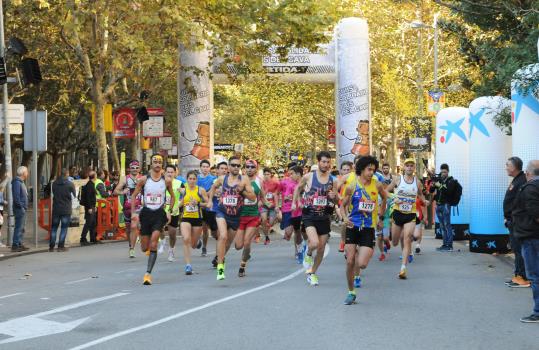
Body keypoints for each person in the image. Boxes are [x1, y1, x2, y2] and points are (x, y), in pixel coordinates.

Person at [340, 156, 387, 304]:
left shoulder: (377, 185)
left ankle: (360, 253)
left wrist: (381, 217)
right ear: (361, 169)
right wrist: (345, 217)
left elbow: (385, 199)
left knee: (361, 264)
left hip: (368, 227)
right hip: (352, 226)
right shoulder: (352, 186)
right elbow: (342, 205)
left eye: (373, 169)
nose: (371, 172)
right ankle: (351, 292)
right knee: (350, 261)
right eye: (369, 169)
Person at [207, 156, 256, 281]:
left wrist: (242, 192)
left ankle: (221, 258)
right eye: (233, 165)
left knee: (229, 243)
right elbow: (213, 188)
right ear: (228, 167)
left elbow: (253, 197)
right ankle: (220, 267)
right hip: (222, 211)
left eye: (238, 166)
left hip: (236, 216)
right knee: (222, 236)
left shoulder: (244, 179)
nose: (235, 167)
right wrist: (210, 201)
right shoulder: (222, 179)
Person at [293, 151, 337, 286]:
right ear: (318, 162)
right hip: (309, 215)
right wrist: (296, 202)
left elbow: (335, 198)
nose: (326, 164)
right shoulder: (308, 177)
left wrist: (333, 196)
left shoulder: (333, 180)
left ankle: (312, 272)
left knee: (322, 248)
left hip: (324, 216)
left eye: (328, 162)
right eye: (323, 161)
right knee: (314, 243)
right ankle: (308, 252)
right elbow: (298, 189)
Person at [130, 154, 175, 285]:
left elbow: (172, 197)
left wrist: (169, 211)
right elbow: (133, 196)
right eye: (155, 162)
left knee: (154, 242)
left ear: (162, 165)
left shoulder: (166, 180)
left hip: (159, 214)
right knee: (144, 248)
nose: (157, 164)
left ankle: (147, 274)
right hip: (146, 214)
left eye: (160, 162)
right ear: (151, 164)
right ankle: (148, 248)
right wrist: (134, 213)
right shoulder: (143, 180)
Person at [386, 158, 428, 279]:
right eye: (407, 166)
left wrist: (424, 201)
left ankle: (403, 268)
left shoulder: (417, 182)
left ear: (414, 168)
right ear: (404, 167)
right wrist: (394, 197)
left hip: (410, 214)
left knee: (407, 238)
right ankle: (398, 243)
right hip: (398, 213)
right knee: (394, 242)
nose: (409, 168)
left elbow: (420, 194)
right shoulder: (397, 179)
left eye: (411, 166)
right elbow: (386, 191)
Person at [511, 160, 539, 323]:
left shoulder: (530, 188)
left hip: (531, 237)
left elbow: (535, 212)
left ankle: (538, 312)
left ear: (528, 173)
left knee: (535, 275)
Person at [503, 156, 530, 288]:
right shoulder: (518, 179)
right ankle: (519, 274)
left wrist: (511, 217)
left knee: (519, 249)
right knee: (517, 249)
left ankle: (522, 277)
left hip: (516, 222)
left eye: (507, 165)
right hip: (512, 220)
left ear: (514, 167)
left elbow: (519, 203)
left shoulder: (521, 181)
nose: (506, 167)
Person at [179, 170, 209, 275]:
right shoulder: (183, 191)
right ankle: (188, 265)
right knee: (186, 239)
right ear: (187, 180)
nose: (192, 181)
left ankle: (198, 242)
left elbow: (208, 204)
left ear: (197, 180)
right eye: (190, 179)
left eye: (194, 179)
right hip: (185, 218)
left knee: (193, 244)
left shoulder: (200, 190)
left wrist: (198, 203)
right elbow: (180, 203)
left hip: (197, 218)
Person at [114, 160, 143, 258]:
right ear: (129, 169)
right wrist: (122, 192)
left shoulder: (143, 178)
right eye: (132, 168)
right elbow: (115, 191)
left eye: (136, 168)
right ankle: (131, 247)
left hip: (139, 206)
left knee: (135, 226)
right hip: (127, 206)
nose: (134, 170)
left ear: (139, 169)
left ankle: (133, 245)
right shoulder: (124, 179)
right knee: (128, 229)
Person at [429, 163, 458, 251]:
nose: (443, 174)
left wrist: (439, 185)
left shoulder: (451, 181)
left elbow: (449, 191)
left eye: (444, 172)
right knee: (442, 226)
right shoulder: (440, 180)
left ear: (448, 172)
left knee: (447, 225)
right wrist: (433, 185)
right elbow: (431, 190)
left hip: (446, 205)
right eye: (441, 172)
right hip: (438, 205)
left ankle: (449, 245)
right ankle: (445, 244)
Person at [280, 166, 305, 263]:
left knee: (298, 232)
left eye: (292, 174)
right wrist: (288, 197)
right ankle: (284, 226)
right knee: (288, 233)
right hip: (288, 209)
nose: (290, 176)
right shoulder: (287, 182)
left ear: (298, 174)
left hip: (300, 211)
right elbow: (283, 195)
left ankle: (298, 250)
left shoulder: (305, 183)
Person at [49, 169, 76, 252]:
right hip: (66, 209)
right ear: (67, 174)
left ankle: (51, 246)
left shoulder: (54, 184)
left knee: (54, 228)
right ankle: (61, 246)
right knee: (64, 228)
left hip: (56, 208)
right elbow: (74, 196)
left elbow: (53, 193)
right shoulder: (70, 184)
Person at [209, 161, 228, 268]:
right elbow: (207, 192)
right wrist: (212, 197)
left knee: (222, 235)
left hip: (224, 211)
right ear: (217, 170)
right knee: (215, 235)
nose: (224, 170)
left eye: (226, 168)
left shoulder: (231, 181)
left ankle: (218, 257)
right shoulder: (214, 181)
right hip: (213, 210)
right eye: (222, 168)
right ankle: (219, 254)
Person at [163, 164, 184, 262]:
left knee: (172, 234)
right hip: (161, 211)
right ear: (164, 172)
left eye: (172, 172)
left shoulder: (179, 183)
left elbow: (186, 194)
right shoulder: (160, 182)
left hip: (173, 211)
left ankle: (171, 250)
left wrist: (181, 201)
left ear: (175, 173)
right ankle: (162, 241)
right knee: (158, 229)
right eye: (168, 172)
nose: (170, 174)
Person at [197, 160, 216, 256]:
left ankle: (204, 247)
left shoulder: (213, 178)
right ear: (200, 167)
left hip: (208, 206)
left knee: (205, 229)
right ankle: (197, 241)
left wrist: (205, 194)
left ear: (209, 168)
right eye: (203, 166)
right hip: (196, 205)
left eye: (207, 167)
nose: (205, 168)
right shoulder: (195, 178)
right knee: (195, 227)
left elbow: (213, 190)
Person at [261, 167, 280, 245]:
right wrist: (264, 192)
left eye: (268, 174)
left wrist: (276, 205)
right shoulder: (261, 183)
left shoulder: (276, 183)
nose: (266, 176)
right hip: (264, 204)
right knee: (264, 220)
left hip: (272, 205)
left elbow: (277, 194)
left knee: (271, 223)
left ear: (271, 174)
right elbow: (260, 195)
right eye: (265, 174)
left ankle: (269, 227)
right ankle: (266, 237)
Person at [337, 161, 353, 252]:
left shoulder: (355, 178)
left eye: (348, 169)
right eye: (344, 170)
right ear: (341, 171)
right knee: (344, 223)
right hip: (344, 204)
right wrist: (340, 197)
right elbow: (335, 190)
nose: (346, 171)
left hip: (354, 203)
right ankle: (343, 241)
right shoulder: (340, 179)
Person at [11, 166, 29, 252]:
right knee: (18, 227)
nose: (27, 173)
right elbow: (16, 197)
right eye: (27, 172)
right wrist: (21, 207)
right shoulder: (17, 183)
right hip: (19, 209)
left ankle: (19, 243)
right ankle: (15, 245)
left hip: (22, 208)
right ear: (23, 173)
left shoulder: (20, 182)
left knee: (22, 227)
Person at [80, 170, 98, 245]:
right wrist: (90, 207)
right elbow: (88, 197)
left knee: (93, 223)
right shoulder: (89, 185)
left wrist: (94, 206)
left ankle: (93, 238)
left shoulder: (91, 184)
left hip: (92, 206)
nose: (96, 176)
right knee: (88, 222)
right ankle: (83, 238)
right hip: (89, 207)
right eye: (96, 175)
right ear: (94, 176)